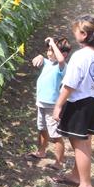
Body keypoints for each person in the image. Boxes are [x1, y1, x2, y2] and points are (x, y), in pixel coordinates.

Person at [51, 15, 94, 187]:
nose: (74, 34)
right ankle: (77, 175)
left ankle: (85, 185)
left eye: (75, 31)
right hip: (93, 102)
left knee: (80, 145)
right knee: (84, 142)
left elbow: (70, 84)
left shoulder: (80, 56)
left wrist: (58, 106)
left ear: (83, 34)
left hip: (79, 104)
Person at [29, 36, 71, 169]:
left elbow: (60, 60)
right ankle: (41, 152)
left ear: (63, 54)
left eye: (51, 51)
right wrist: (40, 56)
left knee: (55, 135)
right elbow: (43, 59)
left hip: (52, 106)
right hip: (41, 103)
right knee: (41, 128)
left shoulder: (62, 67)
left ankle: (59, 163)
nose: (48, 53)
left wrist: (52, 42)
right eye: (48, 50)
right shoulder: (49, 62)